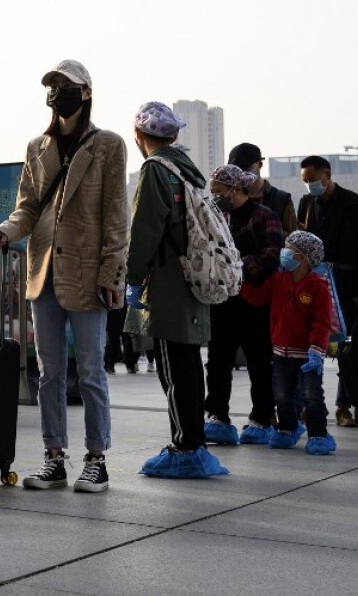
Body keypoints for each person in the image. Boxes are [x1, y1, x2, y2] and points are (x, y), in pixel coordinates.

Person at [0, 60, 128, 493]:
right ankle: (54, 457)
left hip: (88, 274)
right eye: (51, 86)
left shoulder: (108, 145)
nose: (55, 92)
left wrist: (113, 274)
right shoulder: (37, 147)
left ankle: (96, 459)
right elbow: (28, 209)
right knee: (48, 373)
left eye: (64, 86)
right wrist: (3, 232)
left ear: (86, 92)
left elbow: (116, 216)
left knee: (90, 372)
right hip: (42, 273)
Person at [123, 102, 228, 479]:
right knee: (187, 364)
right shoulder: (189, 170)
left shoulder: (155, 169)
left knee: (172, 368)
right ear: (175, 134)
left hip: (167, 280)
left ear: (138, 135)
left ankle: (184, 447)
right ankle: (194, 444)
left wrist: (132, 277)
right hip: (193, 276)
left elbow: (147, 227)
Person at [203, 164, 283, 445]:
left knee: (259, 361)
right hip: (223, 299)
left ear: (236, 189)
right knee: (217, 361)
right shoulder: (215, 216)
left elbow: (273, 254)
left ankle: (261, 417)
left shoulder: (265, 216)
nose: (214, 196)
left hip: (255, 300)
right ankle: (216, 416)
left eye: (218, 191)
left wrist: (238, 266)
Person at [296, 155, 358, 427]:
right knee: (311, 344)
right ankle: (310, 404)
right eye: (305, 181)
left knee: (346, 347)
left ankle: (344, 406)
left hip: (345, 280)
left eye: (313, 180)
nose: (309, 185)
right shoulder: (307, 203)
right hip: (313, 279)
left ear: (327, 176)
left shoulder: (353, 203)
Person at [241, 231, 337, 455]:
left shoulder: (317, 287)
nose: (283, 253)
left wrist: (316, 349)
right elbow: (259, 297)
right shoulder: (279, 279)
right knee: (282, 395)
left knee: (312, 395)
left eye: (289, 249)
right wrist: (240, 284)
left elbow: (322, 322)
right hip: (281, 352)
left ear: (303, 257)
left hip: (308, 355)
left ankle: (318, 434)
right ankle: (286, 429)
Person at [228, 142, 298, 234]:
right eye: (236, 170)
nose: (242, 174)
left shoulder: (281, 200)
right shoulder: (228, 199)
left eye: (246, 169)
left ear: (260, 164)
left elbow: (292, 239)